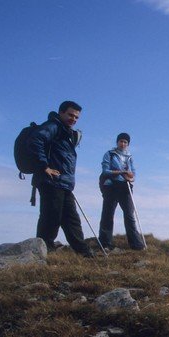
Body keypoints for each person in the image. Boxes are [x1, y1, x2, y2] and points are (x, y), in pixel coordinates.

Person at [27, 100, 92, 257]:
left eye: (76, 117)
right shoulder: (53, 126)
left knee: (71, 220)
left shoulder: (65, 132)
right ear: (61, 112)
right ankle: (42, 253)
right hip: (50, 181)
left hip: (64, 183)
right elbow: (36, 140)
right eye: (70, 115)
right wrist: (44, 166)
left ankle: (85, 254)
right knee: (51, 218)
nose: (73, 119)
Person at [98, 133, 145, 250]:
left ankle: (136, 244)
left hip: (125, 187)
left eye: (125, 142)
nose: (123, 144)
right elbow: (105, 171)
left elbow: (133, 173)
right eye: (121, 141)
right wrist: (121, 172)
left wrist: (130, 177)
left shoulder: (129, 157)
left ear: (128, 144)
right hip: (111, 186)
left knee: (129, 215)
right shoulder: (109, 154)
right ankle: (105, 243)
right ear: (117, 142)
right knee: (108, 214)